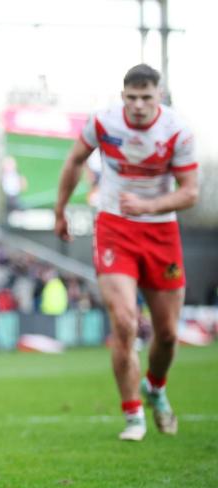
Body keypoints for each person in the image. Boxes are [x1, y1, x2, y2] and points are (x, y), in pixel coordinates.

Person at [55, 63, 198, 442]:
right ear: (122, 96)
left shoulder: (177, 131)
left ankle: (156, 387)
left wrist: (150, 207)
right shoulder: (103, 122)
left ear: (158, 97)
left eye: (146, 97)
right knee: (125, 321)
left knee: (167, 334)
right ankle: (133, 414)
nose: (137, 105)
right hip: (115, 227)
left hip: (161, 232)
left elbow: (190, 191)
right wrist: (60, 210)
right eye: (131, 97)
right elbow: (74, 160)